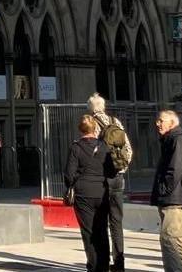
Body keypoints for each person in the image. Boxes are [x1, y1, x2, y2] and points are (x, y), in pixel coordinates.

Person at [85, 93, 131, 271]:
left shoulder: (91, 124)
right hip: (118, 179)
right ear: (103, 106)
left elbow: (93, 154)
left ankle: (102, 263)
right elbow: (128, 149)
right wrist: (121, 169)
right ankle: (119, 263)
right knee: (117, 222)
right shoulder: (115, 121)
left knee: (101, 222)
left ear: (90, 108)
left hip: (102, 181)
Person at [150, 109, 182, 272]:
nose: (157, 124)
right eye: (157, 120)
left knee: (170, 239)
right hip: (172, 198)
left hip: (173, 199)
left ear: (172, 122)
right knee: (177, 240)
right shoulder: (171, 140)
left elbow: (175, 170)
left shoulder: (178, 140)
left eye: (161, 120)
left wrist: (164, 190)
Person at [64, 114, 111, 272]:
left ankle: (94, 266)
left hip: (83, 193)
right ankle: (104, 266)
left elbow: (69, 175)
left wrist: (76, 181)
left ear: (80, 129)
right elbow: (110, 169)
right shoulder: (104, 146)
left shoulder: (76, 147)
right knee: (102, 229)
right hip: (102, 191)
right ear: (95, 128)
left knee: (88, 232)